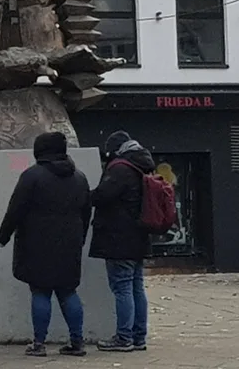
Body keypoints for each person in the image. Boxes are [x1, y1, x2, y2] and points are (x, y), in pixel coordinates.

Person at [0, 132, 92, 357]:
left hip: (36, 242)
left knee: (40, 291)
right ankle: (77, 342)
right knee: (68, 291)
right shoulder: (79, 177)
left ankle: (39, 343)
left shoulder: (32, 176)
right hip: (70, 243)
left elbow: (15, 209)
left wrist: (3, 236)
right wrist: (80, 238)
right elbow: (86, 212)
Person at [89, 130, 154, 352]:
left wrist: (83, 195)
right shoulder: (141, 165)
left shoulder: (120, 168)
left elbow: (101, 196)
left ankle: (124, 337)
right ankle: (139, 336)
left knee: (122, 286)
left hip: (119, 237)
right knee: (136, 286)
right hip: (138, 236)